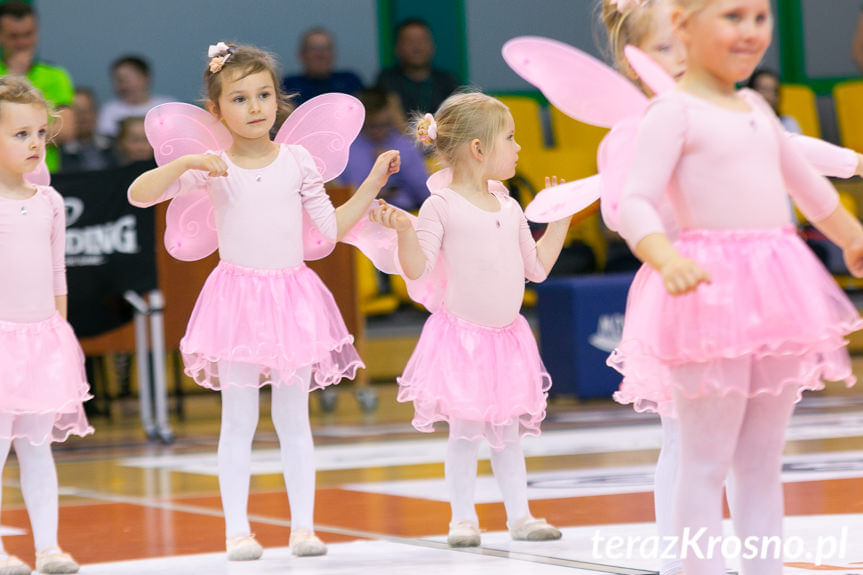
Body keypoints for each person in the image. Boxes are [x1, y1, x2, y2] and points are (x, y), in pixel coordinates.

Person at [608, 1, 863, 573]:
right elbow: (636, 202)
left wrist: (850, 236)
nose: (750, 32)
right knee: (704, 460)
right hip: (707, 292)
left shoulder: (754, 106)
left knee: (762, 460)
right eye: (732, 17)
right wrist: (664, 254)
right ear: (683, 26)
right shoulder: (672, 114)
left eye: (760, 18)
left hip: (776, 287)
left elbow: (809, 189)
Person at [128, 42, 399, 561]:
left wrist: (369, 184)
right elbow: (140, 195)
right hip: (235, 302)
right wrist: (187, 161)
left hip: (292, 296)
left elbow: (329, 229)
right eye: (239, 98)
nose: (254, 108)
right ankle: (237, 530)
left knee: (294, 419)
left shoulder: (297, 160)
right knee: (239, 420)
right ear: (216, 110)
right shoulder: (212, 164)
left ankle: (304, 528)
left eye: (263, 95)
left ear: (278, 99)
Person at [369, 92, 570, 547]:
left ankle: (520, 515)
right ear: (479, 149)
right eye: (511, 138)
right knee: (465, 432)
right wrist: (404, 232)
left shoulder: (511, 206)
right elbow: (418, 270)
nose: (519, 148)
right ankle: (462, 519)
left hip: (507, 339)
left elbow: (535, 268)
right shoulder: (441, 206)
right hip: (462, 340)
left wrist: (557, 222)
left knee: (507, 434)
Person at [0, 76, 92, 575]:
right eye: (20, 134)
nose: (35, 143)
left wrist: (59, 334)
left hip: (41, 340)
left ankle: (49, 547)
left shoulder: (49, 203)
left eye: (40, 132)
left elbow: (57, 273)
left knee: (38, 450)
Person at [0, 1, 74, 172]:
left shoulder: (55, 75)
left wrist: (14, 134)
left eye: (28, 34)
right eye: (14, 36)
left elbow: (66, 130)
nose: (22, 42)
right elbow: (55, 128)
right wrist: (15, 77)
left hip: (46, 176)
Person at [341, 87, 428, 211]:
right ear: (361, 122)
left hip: (405, 211)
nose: (379, 132)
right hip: (360, 216)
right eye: (372, 126)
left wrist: (397, 167)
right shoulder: (348, 149)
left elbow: (424, 194)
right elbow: (344, 196)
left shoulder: (405, 145)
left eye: (385, 125)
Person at [376, 19, 459, 117]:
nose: (417, 47)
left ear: (432, 46)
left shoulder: (448, 81)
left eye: (422, 40)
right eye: (409, 41)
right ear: (397, 48)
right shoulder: (386, 80)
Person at [281, 28, 363, 105]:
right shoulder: (290, 86)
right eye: (313, 48)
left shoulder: (349, 81)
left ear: (333, 54)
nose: (320, 54)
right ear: (302, 54)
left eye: (325, 48)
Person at [97, 55, 172, 138]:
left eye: (125, 80)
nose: (123, 86)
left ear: (145, 78)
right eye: (118, 81)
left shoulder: (167, 106)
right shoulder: (109, 110)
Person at [59, 88, 114, 172]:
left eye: (86, 111)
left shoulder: (113, 145)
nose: (83, 117)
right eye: (77, 112)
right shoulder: (58, 151)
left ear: (96, 112)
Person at [746, 68, 801, 133]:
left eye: (774, 91)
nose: (769, 96)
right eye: (763, 89)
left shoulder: (786, 123)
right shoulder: (742, 121)